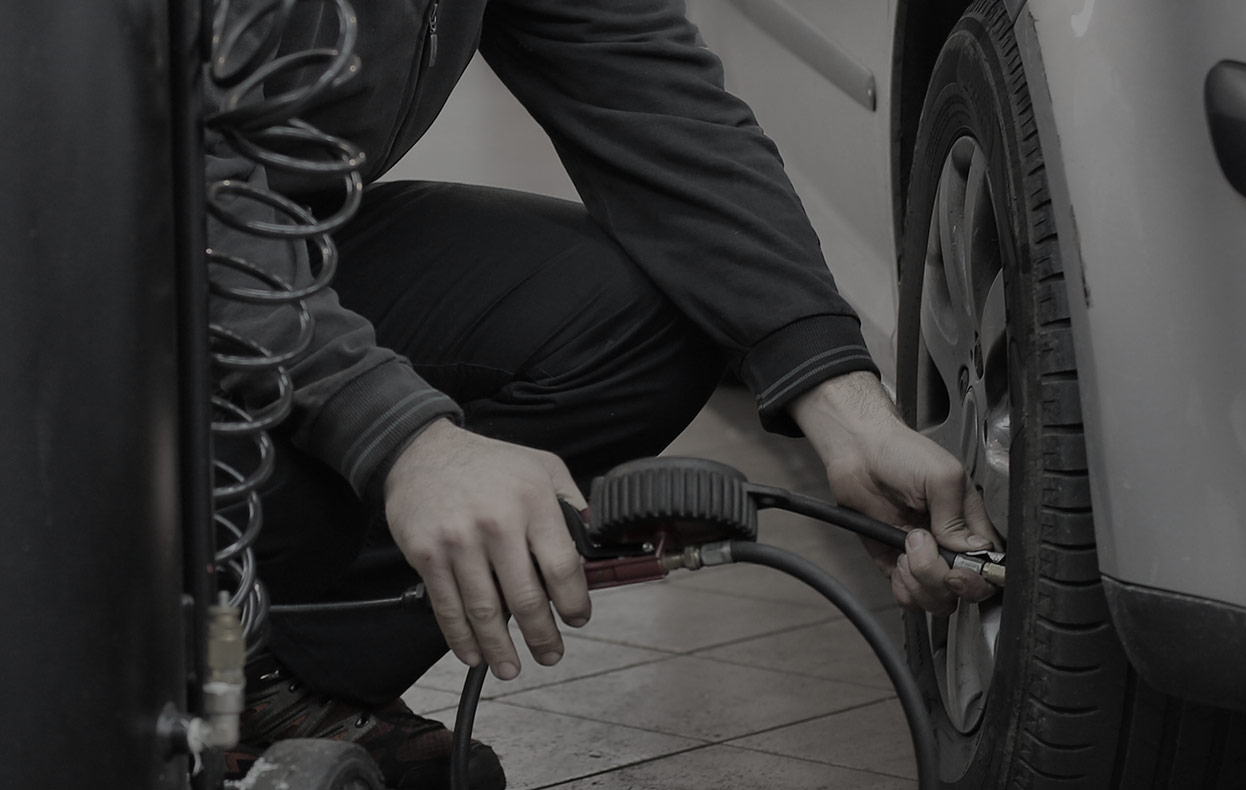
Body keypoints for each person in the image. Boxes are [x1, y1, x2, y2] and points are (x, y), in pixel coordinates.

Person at [209, 1, 1000, 787]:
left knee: (638, 318)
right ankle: (141, 652)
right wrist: (404, 439)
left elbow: (650, 94)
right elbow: (141, 180)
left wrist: (843, 402)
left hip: (269, 242)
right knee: (276, 454)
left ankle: (274, 676)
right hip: (118, 283)